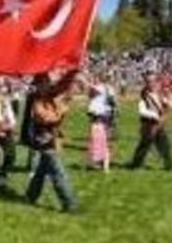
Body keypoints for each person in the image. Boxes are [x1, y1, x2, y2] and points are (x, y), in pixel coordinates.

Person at [25, 69, 80, 213]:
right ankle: (69, 203)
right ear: (38, 86)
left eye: (47, 83)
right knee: (58, 172)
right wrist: (62, 110)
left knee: (41, 171)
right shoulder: (37, 103)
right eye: (44, 83)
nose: (47, 85)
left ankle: (31, 195)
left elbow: (63, 85)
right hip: (44, 141)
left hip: (52, 140)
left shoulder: (49, 98)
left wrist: (72, 72)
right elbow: (48, 118)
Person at [127, 73, 172, 171]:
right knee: (144, 146)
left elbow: (169, 104)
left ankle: (168, 165)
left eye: (153, 81)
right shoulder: (144, 95)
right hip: (149, 125)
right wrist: (155, 115)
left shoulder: (159, 94)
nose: (151, 83)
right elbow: (142, 111)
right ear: (146, 83)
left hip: (159, 125)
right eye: (149, 81)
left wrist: (169, 101)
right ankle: (136, 164)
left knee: (164, 145)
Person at [86, 82, 112, 172]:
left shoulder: (100, 101)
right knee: (95, 145)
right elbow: (90, 114)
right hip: (95, 125)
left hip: (101, 124)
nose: (92, 92)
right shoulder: (94, 102)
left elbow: (104, 114)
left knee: (103, 145)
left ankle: (105, 166)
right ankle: (98, 163)